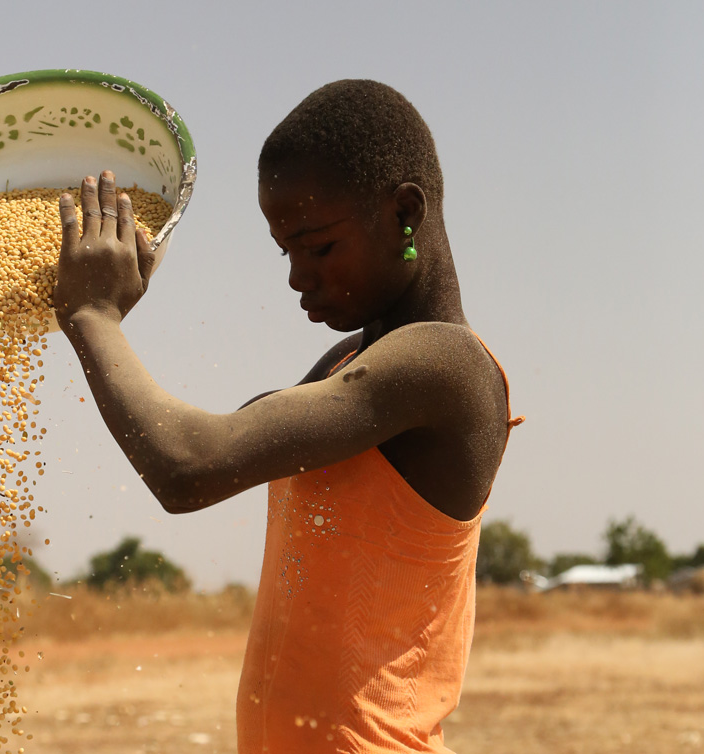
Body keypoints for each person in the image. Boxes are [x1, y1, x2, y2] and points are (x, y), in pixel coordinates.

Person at [54, 79, 523, 754]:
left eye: (320, 246)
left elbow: (188, 467)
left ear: (405, 214)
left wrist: (91, 317)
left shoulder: (444, 368)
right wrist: (105, 309)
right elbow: (198, 438)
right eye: (287, 251)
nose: (297, 277)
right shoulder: (346, 365)